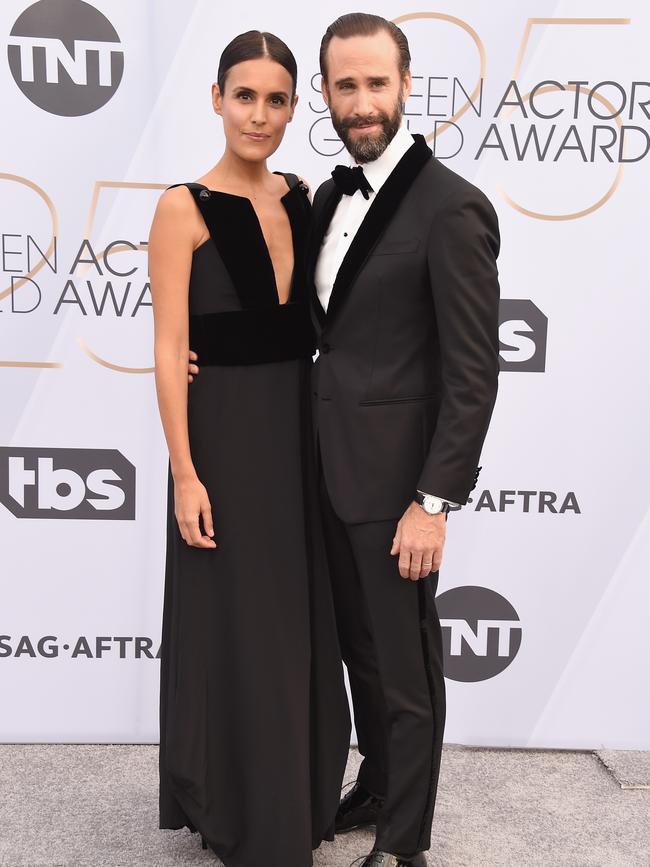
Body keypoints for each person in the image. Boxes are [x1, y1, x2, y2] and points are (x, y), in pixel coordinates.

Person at [149, 30, 350, 867]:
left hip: (296, 433)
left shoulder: (303, 196)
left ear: (293, 107)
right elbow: (167, 347)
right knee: (232, 619)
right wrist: (186, 472)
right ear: (216, 98)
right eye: (244, 96)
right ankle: (235, 804)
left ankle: (292, 796)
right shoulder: (180, 206)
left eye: (275, 99)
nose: (258, 115)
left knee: (291, 620)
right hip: (223, 440)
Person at [310, 14, 501, 867]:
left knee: (409, 668)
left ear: (405, 85)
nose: (361, 101)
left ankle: (405, 841)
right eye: (345, 85)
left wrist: (434, 501)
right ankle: (380, 782)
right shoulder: (324, 196)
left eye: (375, 83)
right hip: (323, 469)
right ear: (326, 92)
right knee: (360, 650)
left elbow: (473, 372)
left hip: (397, 490)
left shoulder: (452, 206)